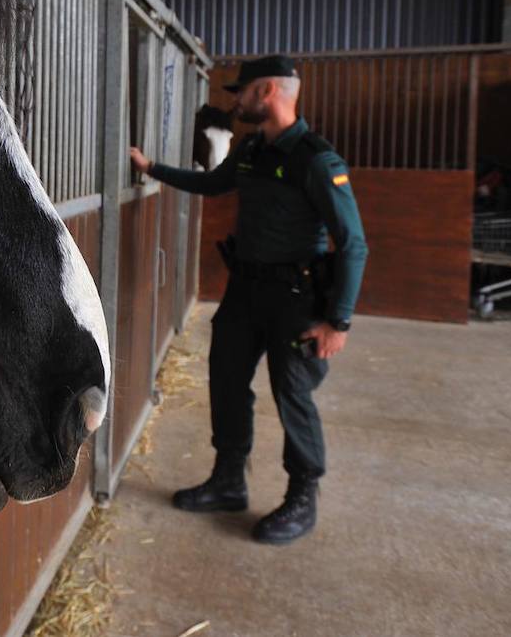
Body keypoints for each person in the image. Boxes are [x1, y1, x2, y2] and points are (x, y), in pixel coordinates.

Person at [129, 55, 368, 545]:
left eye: (241, 91)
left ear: (266, 92)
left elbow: (353, 243)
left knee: (292, 395)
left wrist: (337, 322)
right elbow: (213, 184)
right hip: (245, 293)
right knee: (227, 381)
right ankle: (228, 480)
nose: (235, 100)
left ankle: (303, 497)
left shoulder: (317, 160)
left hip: (297, 300)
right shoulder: (252, 150)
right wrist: (152, 168)